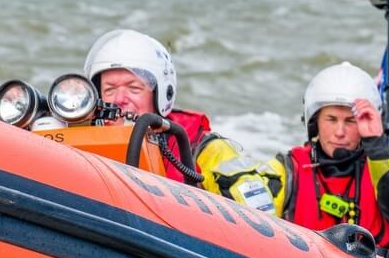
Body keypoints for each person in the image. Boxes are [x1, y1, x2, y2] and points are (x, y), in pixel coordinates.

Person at [256, 62, 389, 258]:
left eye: (350, 121)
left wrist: (378, 147)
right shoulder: (287, 169)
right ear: (315, 123)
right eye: (331, 119)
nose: (340, 132)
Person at [84, 29, 271, 205]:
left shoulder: (206, 150)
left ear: (161, 93)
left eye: (134, 88)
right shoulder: (83, 145)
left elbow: (260, 219)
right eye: (110, 89)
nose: (119, 100)